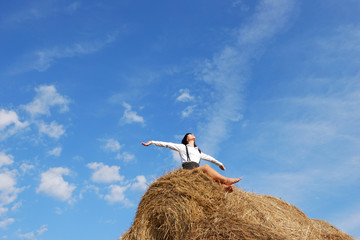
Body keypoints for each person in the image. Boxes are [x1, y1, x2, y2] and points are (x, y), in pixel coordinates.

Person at [142, 133, 241, 192]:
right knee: (206, 167)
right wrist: (152, 142)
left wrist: (220, 164)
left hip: (198, 171)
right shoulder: (182, 147)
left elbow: (210, 158)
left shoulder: (198, 151)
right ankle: (226, 180)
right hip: (188, 171)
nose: (192, 135)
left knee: (211, 180)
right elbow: (168, 144)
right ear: (187, 138)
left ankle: (224, 188)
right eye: (190, 134)